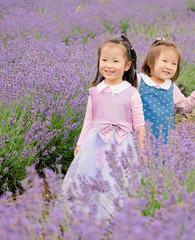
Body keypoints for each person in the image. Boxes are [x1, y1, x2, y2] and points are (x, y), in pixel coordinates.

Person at [62, 35, 145, 219]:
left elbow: (139, 124)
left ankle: (113, 216)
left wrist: (142, 149)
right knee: (91, 176)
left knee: (116, 180)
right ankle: (88, 215)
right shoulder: (95, 92)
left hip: (122, 145)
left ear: (127, 65)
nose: (109, 65)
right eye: (104, 60)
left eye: (115, 61)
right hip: (96, 143)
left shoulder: (131, 93)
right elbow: (88, 121)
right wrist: (80, 143)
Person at [138, 38, 195, 142]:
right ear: (150, 62)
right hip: (138, 138)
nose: (169, 66)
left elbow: (185, 106)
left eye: (174, 63)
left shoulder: (171, 88)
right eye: (164, 61)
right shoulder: (139, 81)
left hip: (163, 140)